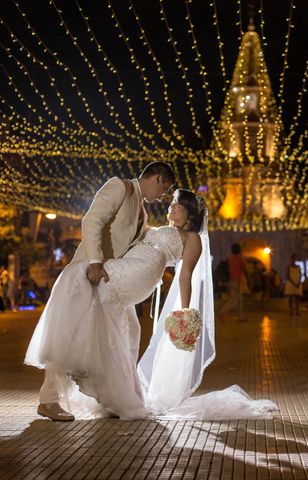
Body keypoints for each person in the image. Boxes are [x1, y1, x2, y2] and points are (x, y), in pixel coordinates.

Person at [26, 187, 276, 421]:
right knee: (122, 329)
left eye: (177, 205)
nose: (171, 208)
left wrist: (184, 312)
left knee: (85, 292)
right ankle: (104, 393)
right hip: (129, 269)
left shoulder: (192, 239)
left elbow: (185, 275)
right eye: (172, 204)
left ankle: (73, 384)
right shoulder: (158, 228)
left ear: (190, 213)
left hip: (139, 276)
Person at [25, 161, 175, 421]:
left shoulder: (141, 209)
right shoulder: (119, 187)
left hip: (109, 282)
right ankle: (48, 400)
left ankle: (111, 395)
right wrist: (94, 262)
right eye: (164, 190)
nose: (162, 197)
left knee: (129, 333)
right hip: (88, 274)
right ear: (157, 178)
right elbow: (92, 220)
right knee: (72, 336)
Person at [219, 243, 249, 321]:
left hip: (231, 281)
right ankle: (222, 312)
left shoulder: (229, 259)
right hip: (237, 281)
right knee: (234, 300)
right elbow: (244, 270)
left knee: (239, 299)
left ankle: (241, 316)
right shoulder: (240, 259)